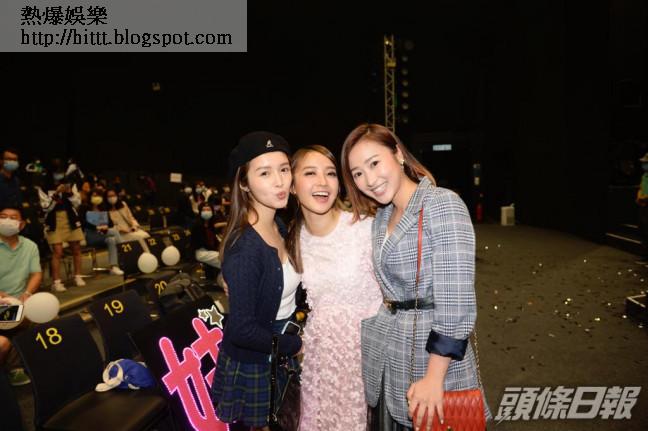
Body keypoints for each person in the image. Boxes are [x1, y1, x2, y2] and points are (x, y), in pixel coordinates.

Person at [341, 123, 490, 430]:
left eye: (374, 163)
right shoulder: (381, 216)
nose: (369, 180)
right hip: (389, 359)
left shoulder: (441, 204)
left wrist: (434, 377)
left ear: (398, 154)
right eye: (357, 173)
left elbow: (456, 302)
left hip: (431, 362)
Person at [211, 131, 303, 430]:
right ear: (244, 183)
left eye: (284, 169)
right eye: (265, 173)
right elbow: (242, 330)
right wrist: (293, 345)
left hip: (278, 343)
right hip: (258, 354)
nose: (280, 181)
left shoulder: (278, 224)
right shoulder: (246, 248)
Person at [286, 145, 382, 430]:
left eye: (330, 173)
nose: (323, 182)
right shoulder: (292, 238)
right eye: (310, 173)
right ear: (292, 186)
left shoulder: (365, 228)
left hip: (369, 360)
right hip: (322, 363)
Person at [0, 205, 43, 386]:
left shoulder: (30, 246)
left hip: (20, 300)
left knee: (46, 316)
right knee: (17, 318)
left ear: (22, 224)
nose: (7, 221)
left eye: (13, 217)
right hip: (2, 302)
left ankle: (33, 363)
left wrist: (27, 293)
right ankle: (14, 368)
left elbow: (36, 274)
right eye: (3, 216)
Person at [37, 159, 86, 292]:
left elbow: (77, 203)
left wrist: (69, 192)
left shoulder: (70, 184)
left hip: (70, 218)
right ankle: (56, 282)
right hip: (54, 220)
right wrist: (56, 193)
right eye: (56, 172)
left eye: (61, 171)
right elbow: (45, 207)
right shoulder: (44, 187)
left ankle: (78, 276)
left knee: (76, 249)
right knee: (57, 251)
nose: (59, 174)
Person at [79, 189, 124, 275]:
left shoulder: (103, 208)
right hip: (92, 235)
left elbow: (110, 223)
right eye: (94, 195)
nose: (96, 197)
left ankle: (114, 267)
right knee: (114, 232)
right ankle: (125, 253)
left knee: (111, 240)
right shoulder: (84, 207)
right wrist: (96, 227)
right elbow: (82, 223)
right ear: (90, 197)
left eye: (98, 195)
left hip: (104, 234)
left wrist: (106, 226)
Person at [190, 202, 226, 270]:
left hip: (210, 250)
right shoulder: (197, 225)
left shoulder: (210, 224)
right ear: (200, 212)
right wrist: (217, 250)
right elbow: (204, 244)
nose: (206, 212)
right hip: (201, 252)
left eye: (208, 210)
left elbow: (214, 240)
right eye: (204, 210)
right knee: (223, 258)